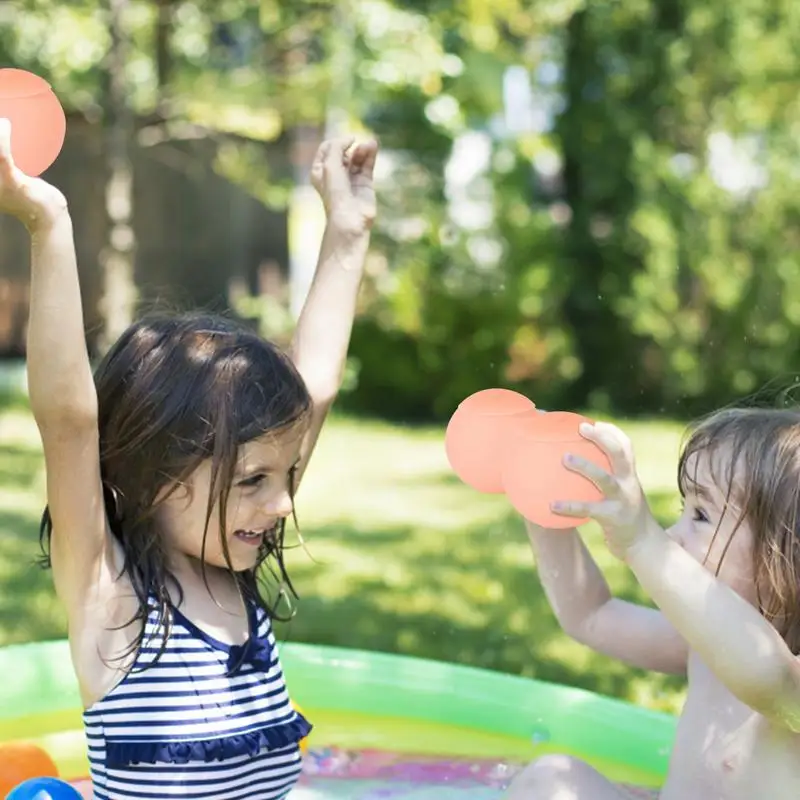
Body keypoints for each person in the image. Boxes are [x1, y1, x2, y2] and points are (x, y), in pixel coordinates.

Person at [0, 115, 377, 800]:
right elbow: (69, 421)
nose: (284, 502)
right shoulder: (110, 599)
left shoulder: (232, 561)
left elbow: (311, 387)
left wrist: (348, 234)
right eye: (255, 480)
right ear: (154, 476)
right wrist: (47, 222)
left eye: (286, 474)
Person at [505, 409, 800, 799]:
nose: (670, 536)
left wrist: (645, 543)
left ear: (786, 552)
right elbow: (590, 615)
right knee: (553, 780)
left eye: (700, 515)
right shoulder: (702, 648)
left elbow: (767, 679)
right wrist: (543, 505)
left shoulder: (783, 677)